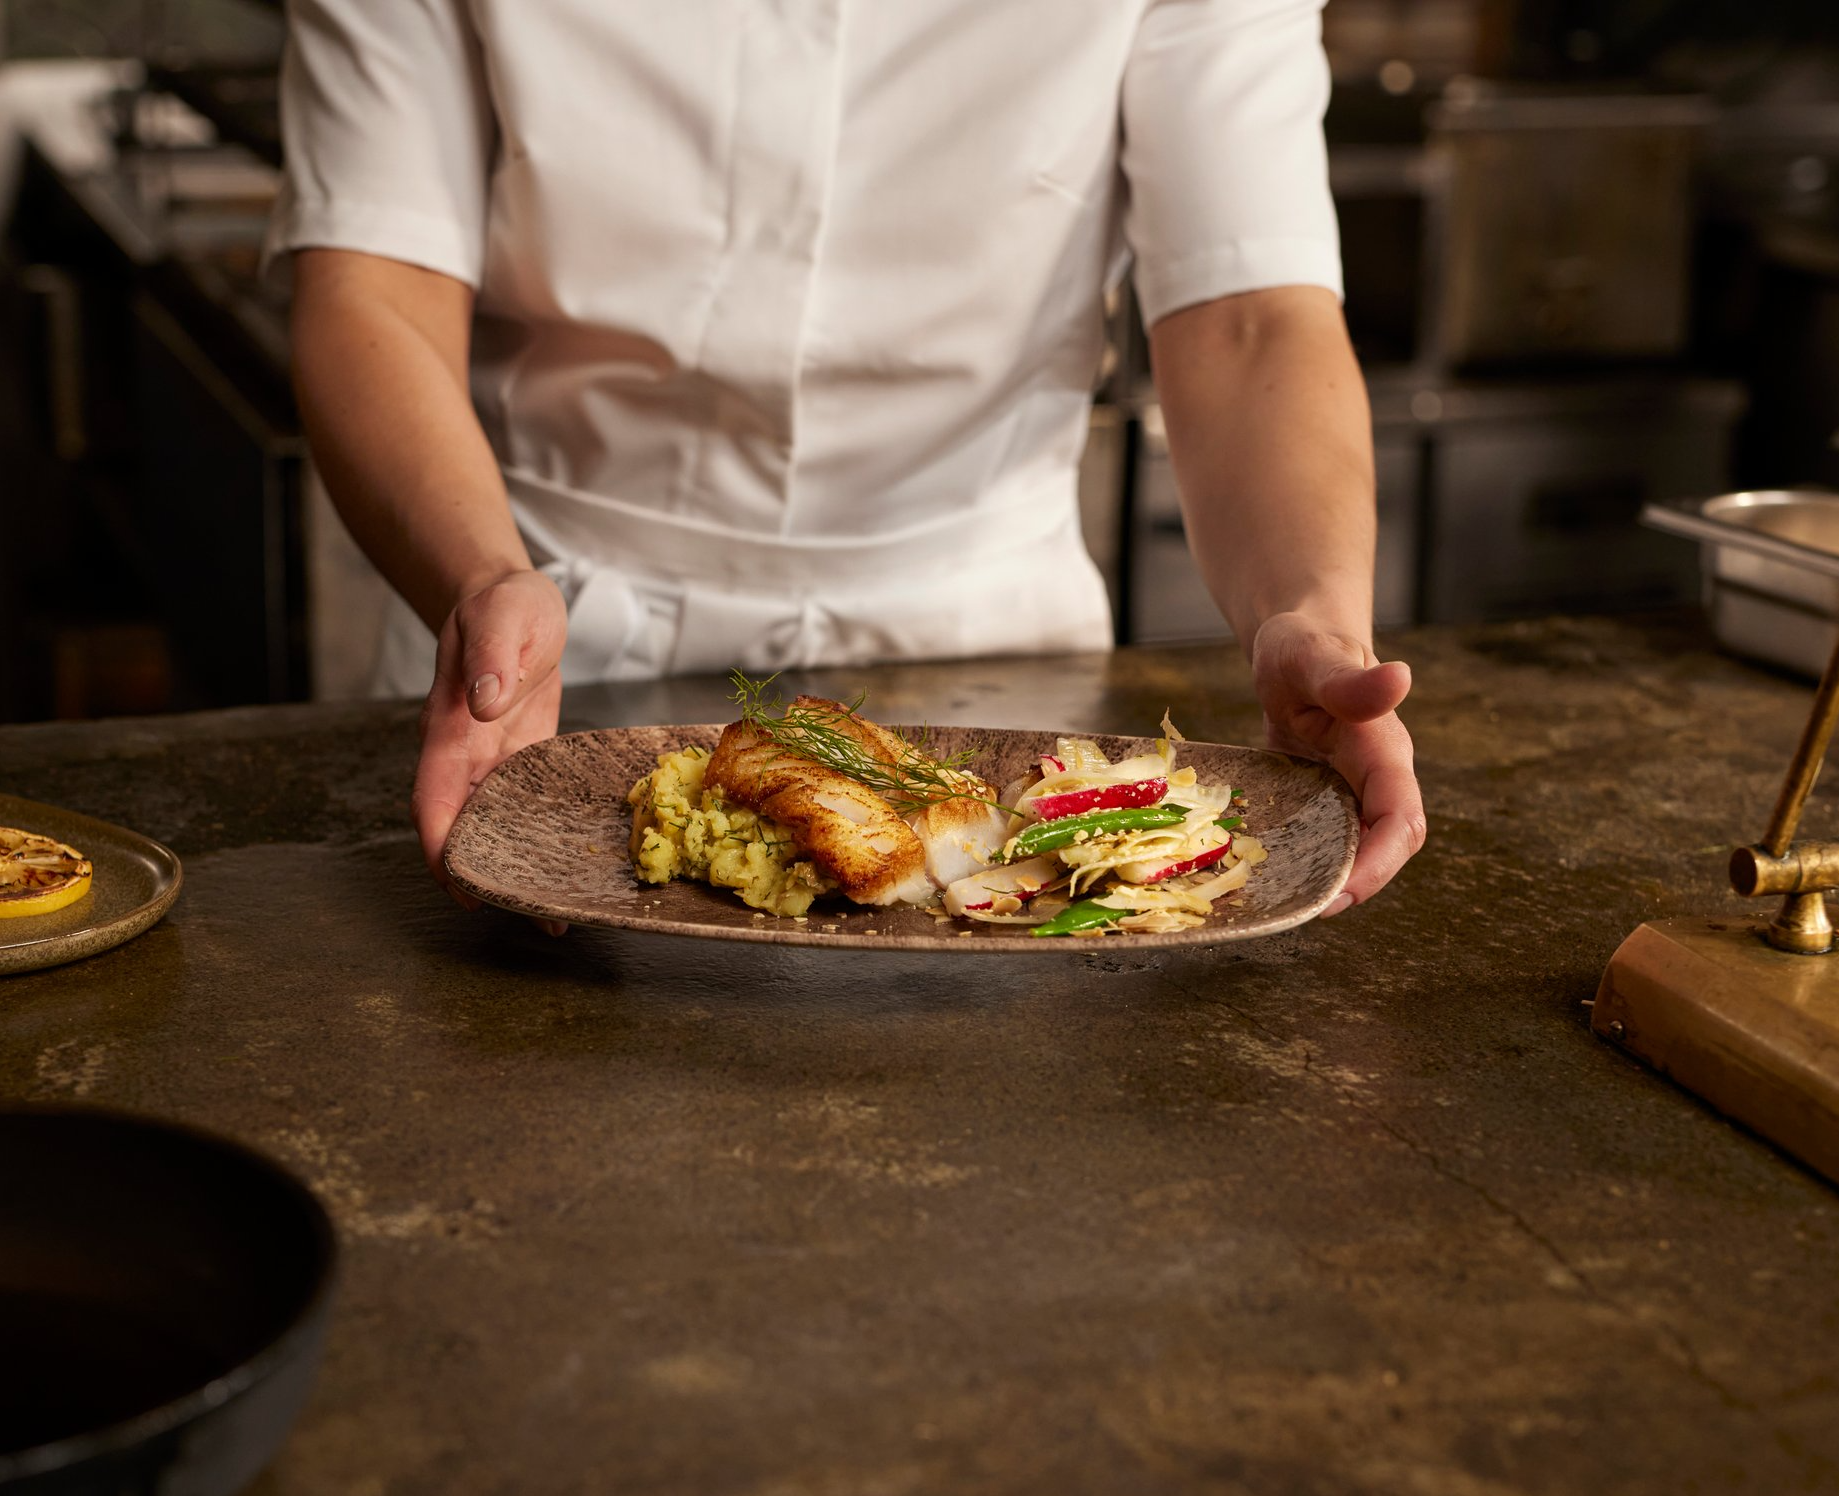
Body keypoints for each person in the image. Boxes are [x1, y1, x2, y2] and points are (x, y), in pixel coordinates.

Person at [269, 0, 1425, 913]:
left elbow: (1249, 313)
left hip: (993, 650)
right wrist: (480, 577)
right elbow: (378, 281)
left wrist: (1312, 612)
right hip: (543, 633)